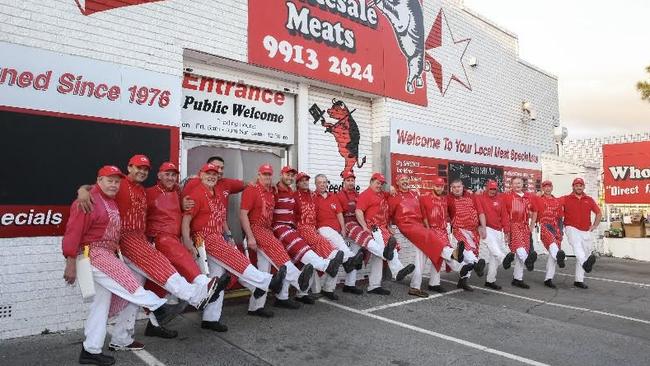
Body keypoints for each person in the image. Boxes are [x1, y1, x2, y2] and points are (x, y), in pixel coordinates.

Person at [63, 166, 185, 366]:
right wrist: (70, 262)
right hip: (92, 252)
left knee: (100, 307)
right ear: (99, 180)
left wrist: (83, 189)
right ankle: (159, 308)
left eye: (116, 181)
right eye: (109, 180)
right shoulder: (87, 201)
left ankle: (90, 350)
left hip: (107, 252)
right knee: (127, 279)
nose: (113, 184)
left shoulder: (109, 200)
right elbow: (73, 232)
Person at [183, 163, 286, 325]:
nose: (212, 176)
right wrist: (188, 243)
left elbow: (221, 217)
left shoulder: (217, 193)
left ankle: (210, 319)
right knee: (236, 258)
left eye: (214, 174)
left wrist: (229, 234)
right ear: (200, 175)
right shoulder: (196, 192)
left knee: (217, 278)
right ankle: (267, 281)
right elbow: (186, 218)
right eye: (208, 173)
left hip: (217, 234)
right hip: (204, 237)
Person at [240, 164, 314, 312]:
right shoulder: (251, 190)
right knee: (279, 253)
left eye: (269, 175)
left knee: (264, 269)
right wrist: (250, 237)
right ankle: (298, 279)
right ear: (259, 175)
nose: (267, 177)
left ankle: (256, 306)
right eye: (264, 174)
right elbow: (243, 214)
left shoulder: (271, 191)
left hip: (267, 229)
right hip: (256, 229)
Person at [271, 166, 344, 303]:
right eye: (301, 180)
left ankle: (300, 294)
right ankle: (332, 261)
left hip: (299, 230)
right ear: (297, 183)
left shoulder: (311, 195)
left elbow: (322, 202)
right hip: (294, 230)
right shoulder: (287, 193)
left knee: (301, 262)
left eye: (306, 180)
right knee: (298, 257)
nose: (305, 182)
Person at [388, 175, 463, 297]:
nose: (405, 181)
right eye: (402, 180)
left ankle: (415, 287)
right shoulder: (393, 196)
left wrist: (427, 226)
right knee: (429, 236)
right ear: (397, 182)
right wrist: (388, 226)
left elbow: (423, 211)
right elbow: (388, 212)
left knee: (421, 254)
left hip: (419, 225)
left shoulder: (415, 194)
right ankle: (451, 254)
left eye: (406, 179)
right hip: (407, 225)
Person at [355, 172, 415, 295]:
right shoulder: (365, 195)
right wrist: (364, 227)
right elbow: (359, 211)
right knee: (386, 249)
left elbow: (388, 203)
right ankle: (397, 270)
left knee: (381, 254)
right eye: (377, 183)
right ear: (371, 181)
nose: (379, 185)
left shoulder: (382, 194)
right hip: (374, 227)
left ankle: (374, 285)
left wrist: (392, 188)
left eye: (382, 184)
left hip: (383, 227)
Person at [311, 173, 365, 298]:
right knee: (341, 250)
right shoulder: (313, 197)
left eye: (324, 182)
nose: (322, 184)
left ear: (327, 183)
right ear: (315, 184)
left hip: (335, 231)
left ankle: (328, 289)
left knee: (336, 259)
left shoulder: (332, 196)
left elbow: (339, 213)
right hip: (322, 229)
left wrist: (342, 228)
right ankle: (350, 259)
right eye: (319, 182)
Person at [420, 177, 474, 292]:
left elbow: (451, 213)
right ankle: (459, 265)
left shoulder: (445, 199)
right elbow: (423, 214)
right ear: (433, 185)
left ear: (444, 187)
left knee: (439, 256)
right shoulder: (424, 198)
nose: (439, 188)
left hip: (443, 230)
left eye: (441, 186)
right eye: (437, 185)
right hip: (430, 231)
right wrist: (427, 229)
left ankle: (434, 283)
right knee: (443, 251)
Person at [447, 179, 487, 290]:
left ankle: (463, 281)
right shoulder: (448, 199)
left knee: (471, 253)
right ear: (451, 188)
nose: (456, 189)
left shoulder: (472, 196)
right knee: (466, 250)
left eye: (458, 186)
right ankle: (477, 264)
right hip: (459, 230)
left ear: (462, 186)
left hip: (474, 231)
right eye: (454, 187)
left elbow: (480, 212)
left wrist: (483, 227)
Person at [476, 180, 515, 290]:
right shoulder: (479, 197)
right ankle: (504, 259)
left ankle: (490, 280)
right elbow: (479, 212)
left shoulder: (500, 199)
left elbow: (504, 216)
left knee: (494, 257)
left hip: (498, 230)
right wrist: (482, 227)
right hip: (486, 228)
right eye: (490, 189)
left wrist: (507, 231)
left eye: (494, 189)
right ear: (486, 188)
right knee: (495, 250)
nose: (492, 191)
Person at [562, 178, 600, 289]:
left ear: (584, 187)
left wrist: (595, 225)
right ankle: (585, 264)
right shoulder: (566, 198)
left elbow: (598, 213)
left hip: (585, 230)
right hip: (571, 227)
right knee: (577, 246)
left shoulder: (589, 199)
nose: (579, 187)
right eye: (576, 185)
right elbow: (553, 202)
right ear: (573, 186)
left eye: (581, 185)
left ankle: (579, 280)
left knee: (585, 253)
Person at [501, 177, 538, 289]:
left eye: (519, 183)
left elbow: (535, 211)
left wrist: (532, 226)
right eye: (515, 183)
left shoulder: (529, 197)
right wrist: (506, 230)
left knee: (520, 252)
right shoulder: (507, 196)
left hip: (525, 226)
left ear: (523, 184)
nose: (517, 185)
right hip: (513, 225)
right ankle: (528, 261)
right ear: (511, 185)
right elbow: (503, 213)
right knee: (519, 247)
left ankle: (518, 279)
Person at [536, 180, 566, 289]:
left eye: (549, 186)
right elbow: (531, 207)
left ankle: (548, 279)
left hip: (556, 228)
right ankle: (560, 259)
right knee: (553, 246)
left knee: (552, 255)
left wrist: (561, 231)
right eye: (545, 187)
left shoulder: (557, 201)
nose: (547, 189)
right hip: (544, 226)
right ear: (542, 189)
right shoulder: (539, 200)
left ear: (552, 188)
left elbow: (560, 218)